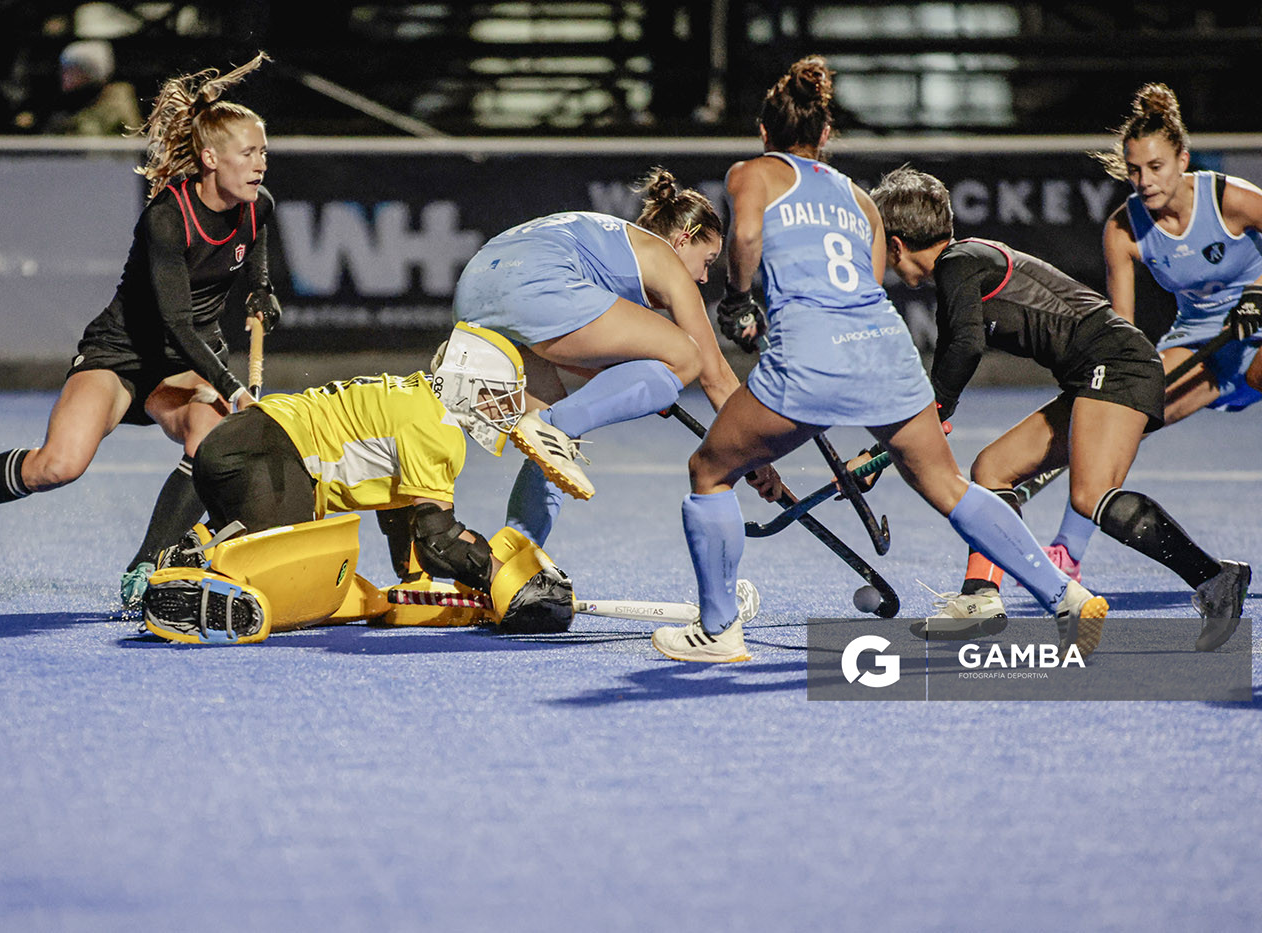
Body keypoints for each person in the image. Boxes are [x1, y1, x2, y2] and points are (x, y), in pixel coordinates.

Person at [650, 55, 1109, 664]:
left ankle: (719, 632)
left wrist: (738, 298)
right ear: (826, 137)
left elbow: (747, 238)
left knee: (709, 470)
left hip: (810, 362)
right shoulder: (862, 200)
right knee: (948, 484)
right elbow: (867, 284)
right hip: (885, 353)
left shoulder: (753, 173)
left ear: (766, 133)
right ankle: (1065, 595)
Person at [0, 51, 280, 610]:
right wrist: (231, 383)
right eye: (250, 152)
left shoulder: (256, 204)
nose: (261, 162)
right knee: (58, 465)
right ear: (210, 156)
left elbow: (257, 249)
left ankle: (148, 565)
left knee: (211, 438)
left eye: (264, 150)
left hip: (187, 363)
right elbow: (173, 321)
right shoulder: (166, 218)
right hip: (123, 353)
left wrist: (263, 289)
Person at [870, 166, 1250, 651]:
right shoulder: (965, 261)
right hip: (1100, 369)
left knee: (1092, 498)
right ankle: (981, 599)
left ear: (897, 243)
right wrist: (926, 418)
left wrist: (935, 411)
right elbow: (957, 350)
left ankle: (1215, 579)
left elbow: (962, 348)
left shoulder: (957, 263)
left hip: (1117, 363)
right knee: (993, 469)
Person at [155, 321, 573, 638]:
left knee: (306, 565)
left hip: (250, 446)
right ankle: (191, 585)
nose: (501, 408)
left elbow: (400, 514)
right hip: (268, 456)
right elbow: (437, 541)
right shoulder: (439, 428)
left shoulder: (417, 398)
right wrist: (504, 582)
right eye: (493, 393)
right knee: (301, 593)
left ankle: (196, 554)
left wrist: (414, 586)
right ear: (465, 386)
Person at [452, 167, 780, 550]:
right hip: (534, 284)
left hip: (473, 294)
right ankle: (554, 424)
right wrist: (756, 454)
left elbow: (586, 361)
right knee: (686, 356)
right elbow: (715, 376)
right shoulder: (662, 256)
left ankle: (511, 564)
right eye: (707, 261)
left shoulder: (611, 251)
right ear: (683, 239)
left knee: (554, 453)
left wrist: (645, 386)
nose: (705, 278)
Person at [1040, 82, 1262, 586]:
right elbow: (1122, 331)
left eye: (1156, 167)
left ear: (1183, 160)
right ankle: (1066, 551)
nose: (1144, 181)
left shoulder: (1228, 199)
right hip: (1201, 342)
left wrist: (1258, 291)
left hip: (1259, 326)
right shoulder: (1124, 230)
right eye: (1135, 170)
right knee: (1116, 420)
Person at [42, 39, 142, 136]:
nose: (64, 76)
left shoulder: (116, 106)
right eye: (63, 69)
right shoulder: (68, 106)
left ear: (90, 75)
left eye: (71, 70)